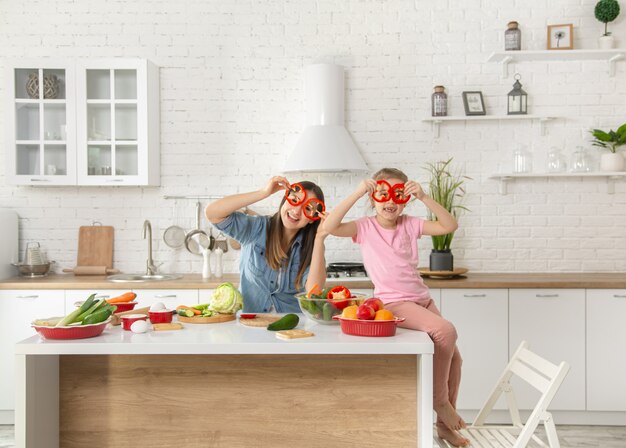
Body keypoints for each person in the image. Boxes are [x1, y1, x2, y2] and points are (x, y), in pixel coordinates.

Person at [323, 167, 468, 447]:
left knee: (456, 360)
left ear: (405, 198)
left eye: (397, 194)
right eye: (382, 194)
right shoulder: (364, 227)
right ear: (373, 197)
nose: (390, 201)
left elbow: (449, 226)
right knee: (446, 331)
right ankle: (439, 401)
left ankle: (444, 428)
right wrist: (356, 192)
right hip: (394, 301)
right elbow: (330, 227)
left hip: (421, 299)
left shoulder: (410, 224)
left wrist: (425, 197)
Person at [205, 176, 328, 313]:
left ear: (313, 218)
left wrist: (319, 238)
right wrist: (263, 193)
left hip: (292, 326)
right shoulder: (257, 228)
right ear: (285, 200)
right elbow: (212, 213)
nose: (296, 211)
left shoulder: (312, 246)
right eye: (294, 201)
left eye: (307, 209)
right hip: (250, 323)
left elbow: (313, 293)